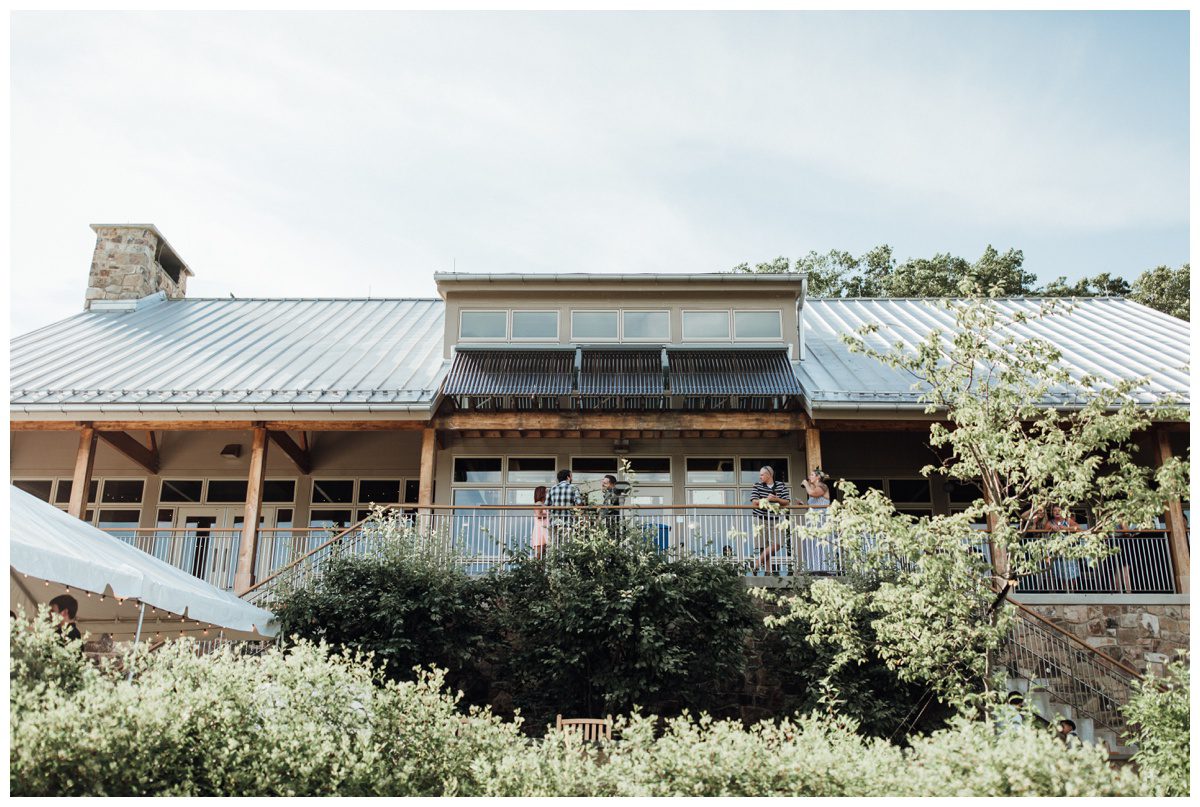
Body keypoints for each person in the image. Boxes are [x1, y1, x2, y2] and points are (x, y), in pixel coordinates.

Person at [750, 466, 791, 574]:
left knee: (778, 544)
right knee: (763, 546)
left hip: (776, 519)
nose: (760, 477)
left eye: (762, 475)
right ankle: (768, 572)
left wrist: (776, 499)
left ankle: (757, 562)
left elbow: (787, 501)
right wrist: (767, 499)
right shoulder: (757, 485)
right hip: (760, 518)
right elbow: (754, 502)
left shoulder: (780, 485)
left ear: (769, 475)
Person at [799, 469, 834, 573]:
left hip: (822, 519)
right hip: (813, 520)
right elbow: (813, 506)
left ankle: (825, 569)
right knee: (812, 543)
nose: (809, 477)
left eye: (812, 475)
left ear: (818, 477)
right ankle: (813, 568)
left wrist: (806, 484)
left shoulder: (822, 486)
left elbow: (813, 493)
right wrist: (804, 505)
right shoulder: (813, 489)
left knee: (822, 542)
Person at [1046, 505, 1082, 593]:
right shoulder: (1050, 522)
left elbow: (1079, 528)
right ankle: (1064, 590)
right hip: (1057, 551)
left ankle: (1071, 590)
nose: (1057, 512)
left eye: (1059, 510)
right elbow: (1045, 529)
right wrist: (1052, 527)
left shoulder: (1067, 521)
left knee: (1072, 571)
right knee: (1060, 572)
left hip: (1068, 550)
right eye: (1055, 510)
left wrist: (1066, 528)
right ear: (1052, 512)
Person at [546, 469, 584, 542]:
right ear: (568, 477)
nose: (572, 478)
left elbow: (547, 505)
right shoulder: (573, 487)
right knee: (567, 545)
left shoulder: (552, 488)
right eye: (571, 476)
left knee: (554, 545)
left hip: (555, 522)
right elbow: (579, 503)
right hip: (568, 522)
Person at [600, 474, 623, 540]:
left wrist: (599, 518)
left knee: (613, 539)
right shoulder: (612, 491)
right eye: (602, 483)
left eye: (605, 483)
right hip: (613, 520)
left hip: (614, 521)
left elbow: (607, 506)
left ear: (612, 484)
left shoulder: (613, 491)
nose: (603, 485)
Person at [531, 485, 550, 559]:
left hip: (544, 529)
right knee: (539, 554)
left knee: (544, 555)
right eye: (546, 492)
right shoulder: (538, 503)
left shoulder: (543, 504)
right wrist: (549, 514)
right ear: (542, 493)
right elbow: (538, 515)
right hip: (540, 530)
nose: (547, 494)